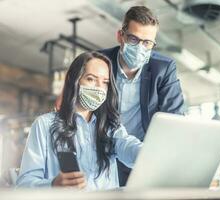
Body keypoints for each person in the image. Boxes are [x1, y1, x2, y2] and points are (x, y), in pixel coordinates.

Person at [16, 52, 142, 191]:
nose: (100, 87)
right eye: (91, 79)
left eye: (105, 82)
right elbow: (23, 185)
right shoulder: (44, 125)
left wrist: (149, 152)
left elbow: (128, 146)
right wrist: (53, 185)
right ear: (73, 79)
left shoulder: (110, 127)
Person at [99, 6, 184, 186]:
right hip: (104, 155)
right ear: (120, 36)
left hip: (144, 156)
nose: (140, 47)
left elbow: (175, 118)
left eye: (147, 42)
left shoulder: (163, 68)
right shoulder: (99, 63)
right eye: (133, 39)